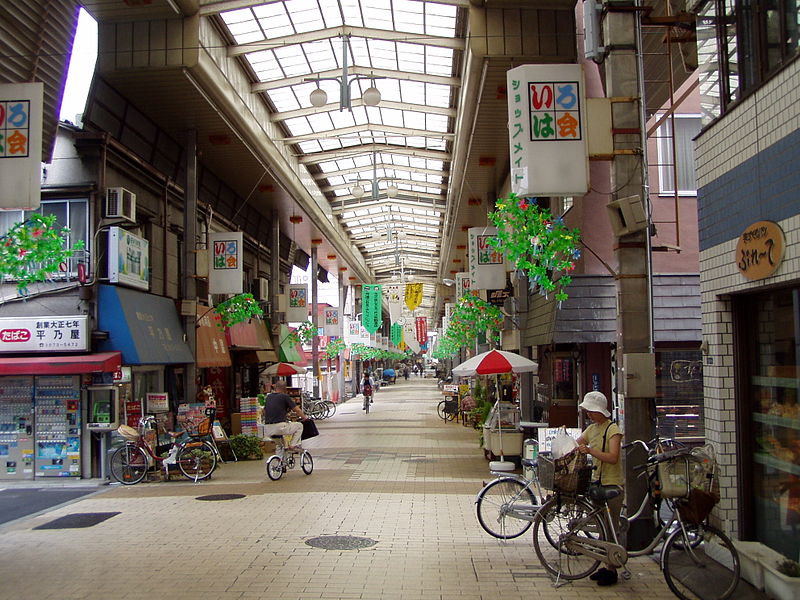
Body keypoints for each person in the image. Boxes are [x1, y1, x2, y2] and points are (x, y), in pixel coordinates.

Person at [576, 391, 623, 587]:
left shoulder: (613, 430)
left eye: (591, 411)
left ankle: (612, 570)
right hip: (596, 482)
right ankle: (605, 566)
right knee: (602, 527)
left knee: (611, 527)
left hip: (612, 484)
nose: (589, 415)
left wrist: (591, 451)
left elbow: (613, 456)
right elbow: (578, 443)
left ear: (600, 411)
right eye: (587, 411)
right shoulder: (592, 429)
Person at [262, 381, 308, 451]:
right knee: (299, 426)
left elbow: (264, 411)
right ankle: (293, 445)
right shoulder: (285, 396)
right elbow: (297, 410)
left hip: (268, 429)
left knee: (281, 447)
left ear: (275, 387)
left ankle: (281, 460)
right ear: (285, 389)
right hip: (280, 427)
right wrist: (304, 417)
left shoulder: (268, 397)